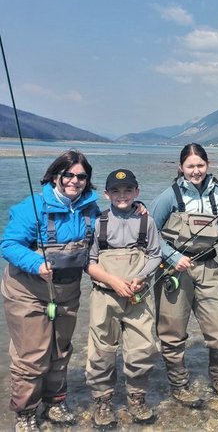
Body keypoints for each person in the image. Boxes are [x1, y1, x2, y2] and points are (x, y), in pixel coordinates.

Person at [1, 150, 100, 432]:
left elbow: (110, 227)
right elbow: (8, 244)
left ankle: (55, 401)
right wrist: (35, 262)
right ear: (55, 175)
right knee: (31, 355)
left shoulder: (90, 209)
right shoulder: (32, 206)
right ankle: (25, 412)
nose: (74, 181)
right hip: (27, 291)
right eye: (68, 174)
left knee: (60, 349)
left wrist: (138, 207)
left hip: (67, 291)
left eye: (81, 176)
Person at [150, 143, 218, 408]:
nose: (196, 171)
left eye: (200, 165)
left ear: (207, 165)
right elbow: (150, 235)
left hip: (208, 267)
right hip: (174, 270)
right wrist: (174, 257)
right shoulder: (168, 197)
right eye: (190, 166)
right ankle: (179, 385)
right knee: (172, 333)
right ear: (181, 168)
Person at [85, 169, 162, 428]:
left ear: (137, 193)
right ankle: (103, 401)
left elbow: (155, 255)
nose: (122, 196)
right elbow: (90, 261)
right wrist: (114, 282)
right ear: (106, 194)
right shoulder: (98, 222)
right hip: (104, 296)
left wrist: (140, 277)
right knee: (101, 351)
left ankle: (137, 398)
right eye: (116, 191)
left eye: (128, 191)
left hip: (138, 296)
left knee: (142, 349)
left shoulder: (146, 221)